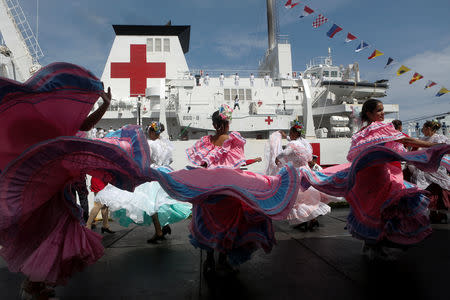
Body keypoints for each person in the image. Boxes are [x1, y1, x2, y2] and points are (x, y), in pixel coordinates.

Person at [0, 63, 152, 299]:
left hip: (55, 188)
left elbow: (84, 125)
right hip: (42, 189)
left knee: (53, 232)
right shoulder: (35, 120)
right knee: (50, 233)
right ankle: (32, 285)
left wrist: (104, 105)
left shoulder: (48, 119)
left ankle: (35, 284)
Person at [297, 99, 449, 260]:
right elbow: (406, 140)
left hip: (369, 177)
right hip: (382, 176)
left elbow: (357, 157)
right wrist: (431, 146)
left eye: (382, 110)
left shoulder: (362, 133)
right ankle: (383, 243)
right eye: (379, 110)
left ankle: (375, 244)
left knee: (377, 210)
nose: (383, 113)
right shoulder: (380, 128)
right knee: (390, 207)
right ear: (369, 113)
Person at [94, 121, 192, 243]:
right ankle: (164, 226)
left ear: (152, 132)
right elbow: (170, 160)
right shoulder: (165, 144)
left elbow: (143, 159)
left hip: (151, 173)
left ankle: (159, 231)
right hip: (164, 172)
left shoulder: (150, 144)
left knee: (151, 204)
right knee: (161, 201)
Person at [265, 121, 332, 231]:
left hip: (298, 174)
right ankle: (311, 220)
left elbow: (285, 153)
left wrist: (277, 157)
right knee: (308, 195)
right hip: (306, 171)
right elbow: (309, 158)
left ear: (294, 134)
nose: (289, 135)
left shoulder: (292, 144)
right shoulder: (303, 144)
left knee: (297, 197)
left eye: (290, 133)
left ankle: (306, 220)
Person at [408, 120, 450, 223]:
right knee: (426, 191)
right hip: (422, 169)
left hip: (436, 168)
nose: (422, 130)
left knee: (438, 190)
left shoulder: (440, 138)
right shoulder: (422, 139)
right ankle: (430, 214)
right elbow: (414, 151)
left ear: (429, 128)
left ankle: (440, 214)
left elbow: (443, 150)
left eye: (423, 128)